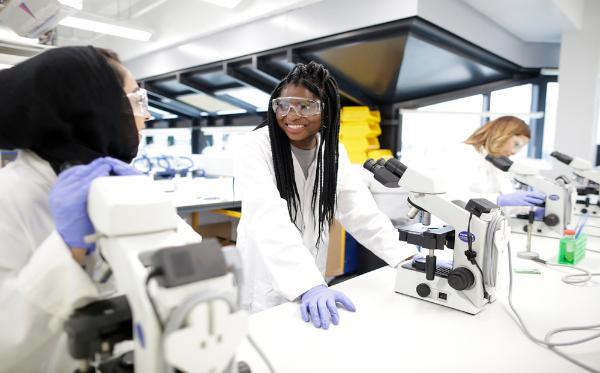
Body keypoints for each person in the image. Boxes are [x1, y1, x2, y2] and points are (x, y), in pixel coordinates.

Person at [0, 46, 150, 373]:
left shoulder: (113, 182)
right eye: (137, 101)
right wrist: (67, 252)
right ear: (94, 107)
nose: (146, 115)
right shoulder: (8, 195)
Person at [234, 62, 414, 329]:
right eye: (283, 105)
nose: (291, 115)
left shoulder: (332, 151)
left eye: (306, 106)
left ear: (326, 111)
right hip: (266, 278)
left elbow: (360, 213)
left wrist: (405, 256)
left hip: (313, 278)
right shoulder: (255, 146)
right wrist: (307, 285)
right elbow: (268, 218)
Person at [448, 116, 545, 216]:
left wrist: (531, 210)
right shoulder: (463, 153)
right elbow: (455, 197)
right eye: (516, 144)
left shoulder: (496, 162)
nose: (514, 152)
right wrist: (498, 199)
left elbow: (505, 205)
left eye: (520, 148)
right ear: (502, 134)